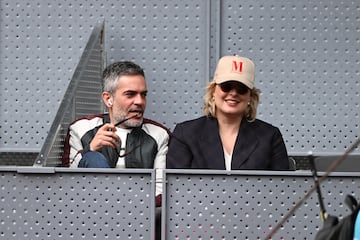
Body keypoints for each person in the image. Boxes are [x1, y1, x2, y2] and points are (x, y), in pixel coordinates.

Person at [62, 61, 170, 201]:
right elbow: (65, 183)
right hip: (91, 212)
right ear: (108, 99)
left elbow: (161, 190)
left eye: (143, 95)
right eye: (130, 94)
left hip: (140, 214)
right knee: (93, 158)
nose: (139, 102)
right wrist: (90, 149)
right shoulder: (81, 129)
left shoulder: (159, 134)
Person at [166, 55, 289, 170]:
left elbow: (282, 188)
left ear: (250, 96)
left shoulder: (270, 136)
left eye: (241, 89)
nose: (233, 93)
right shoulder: (186, 133)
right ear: (213, 91)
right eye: (227, 86)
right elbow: (176, 186)